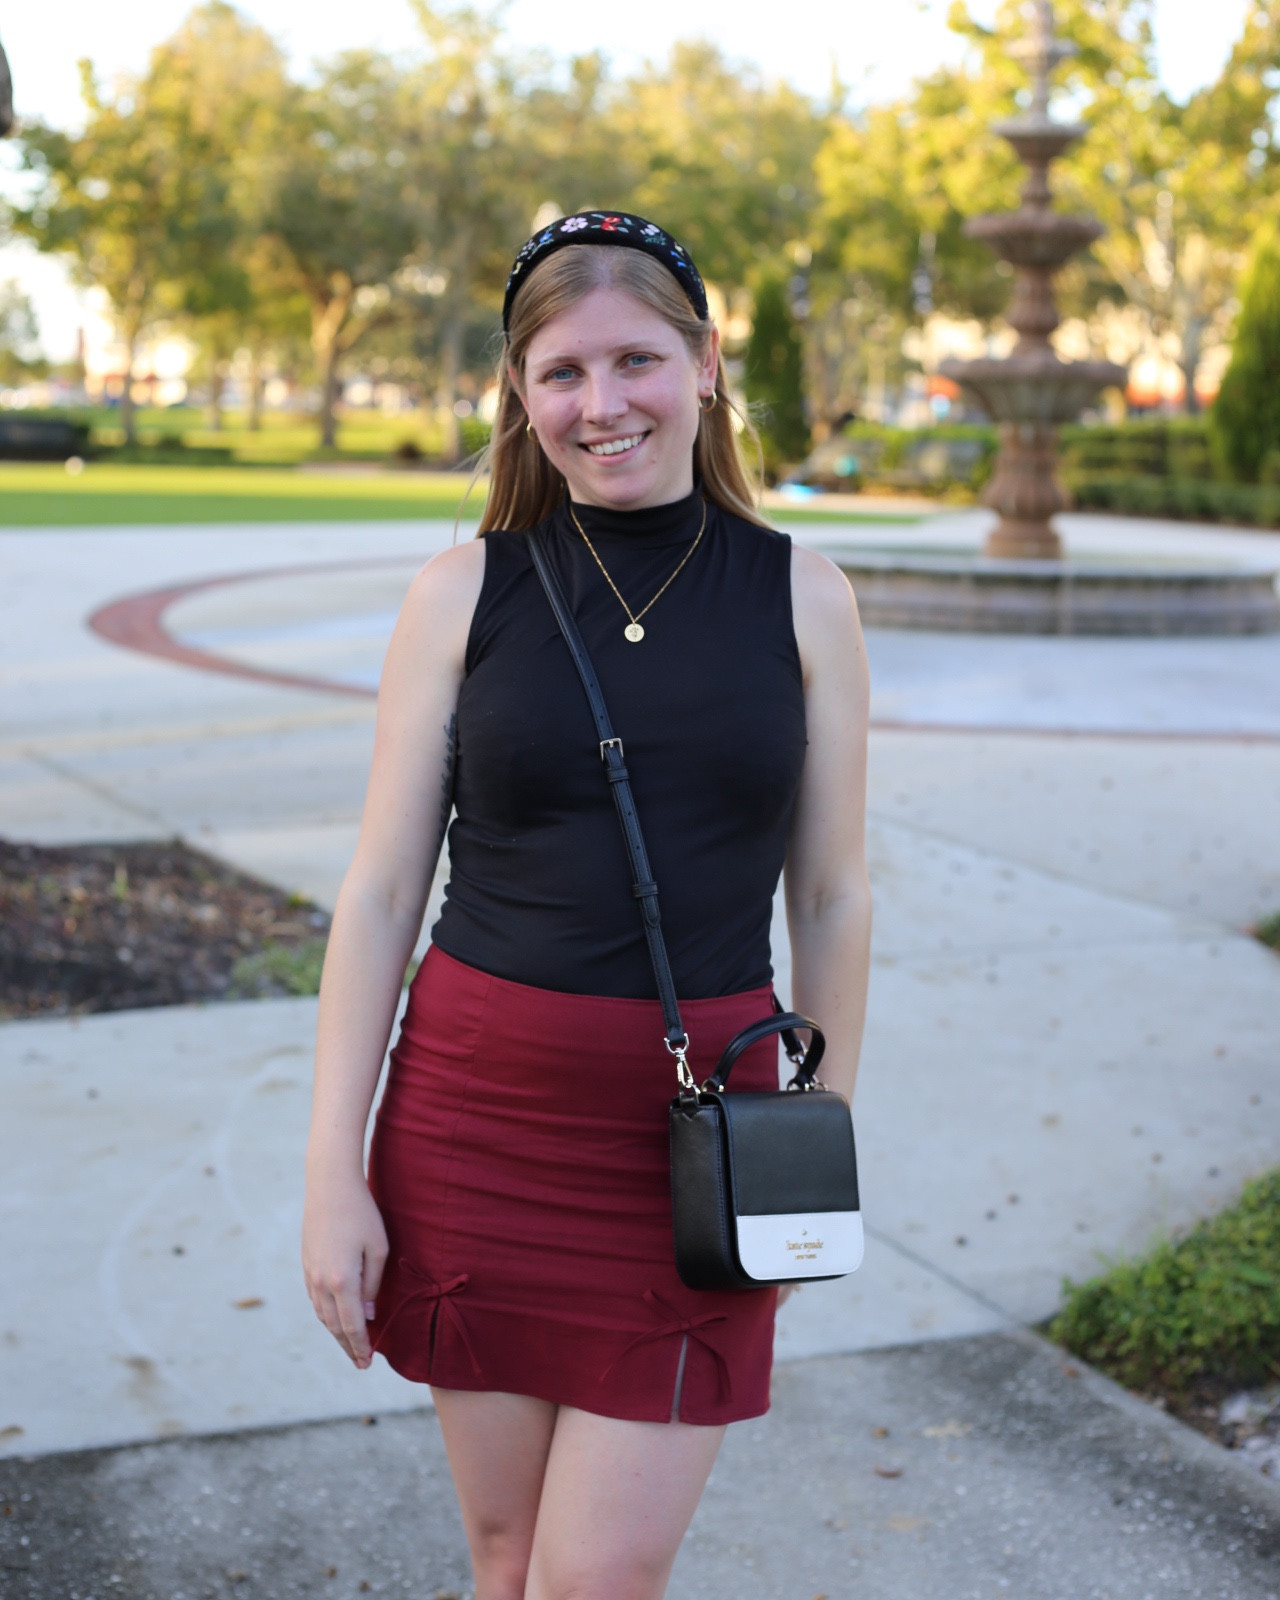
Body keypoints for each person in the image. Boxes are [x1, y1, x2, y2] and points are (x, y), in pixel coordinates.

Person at [301, 211, 872, 1600]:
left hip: (697, 1150)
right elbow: (380, 894)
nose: (600, 405)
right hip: (470, 1132)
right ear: (520, 394)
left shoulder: (804, 594)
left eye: (634, 362)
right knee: (504, 1560)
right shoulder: (463, 592)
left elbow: (838, 895)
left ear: (705, 365)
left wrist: (816, 1148)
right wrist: (331, 1173)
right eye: (560, 372)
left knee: (593, 1581)